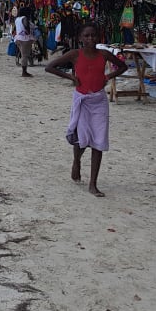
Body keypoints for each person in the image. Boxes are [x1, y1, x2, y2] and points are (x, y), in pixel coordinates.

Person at [44, 23, 127, 197]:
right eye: (87, 36)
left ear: (99, 37)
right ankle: (76, 161)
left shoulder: (104, 54)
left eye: (94, 35)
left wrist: (108, 76)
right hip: (81, 100)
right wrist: (70, 76)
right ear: (80, 38)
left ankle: (93, 184)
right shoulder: (75, 54)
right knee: (81, 138)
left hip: (98, 101)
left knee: (99, 140)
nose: (91, 39)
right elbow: (49, 67)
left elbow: (122, 66)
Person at [13, 7, 36, 77]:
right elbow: (26, 26)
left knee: (24, 54)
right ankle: (24, 72)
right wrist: (29, 31)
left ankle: (25, 70)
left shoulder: (17, 19)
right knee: (24, 56)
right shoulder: (24, 18)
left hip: (18, 38)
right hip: (24, 39)